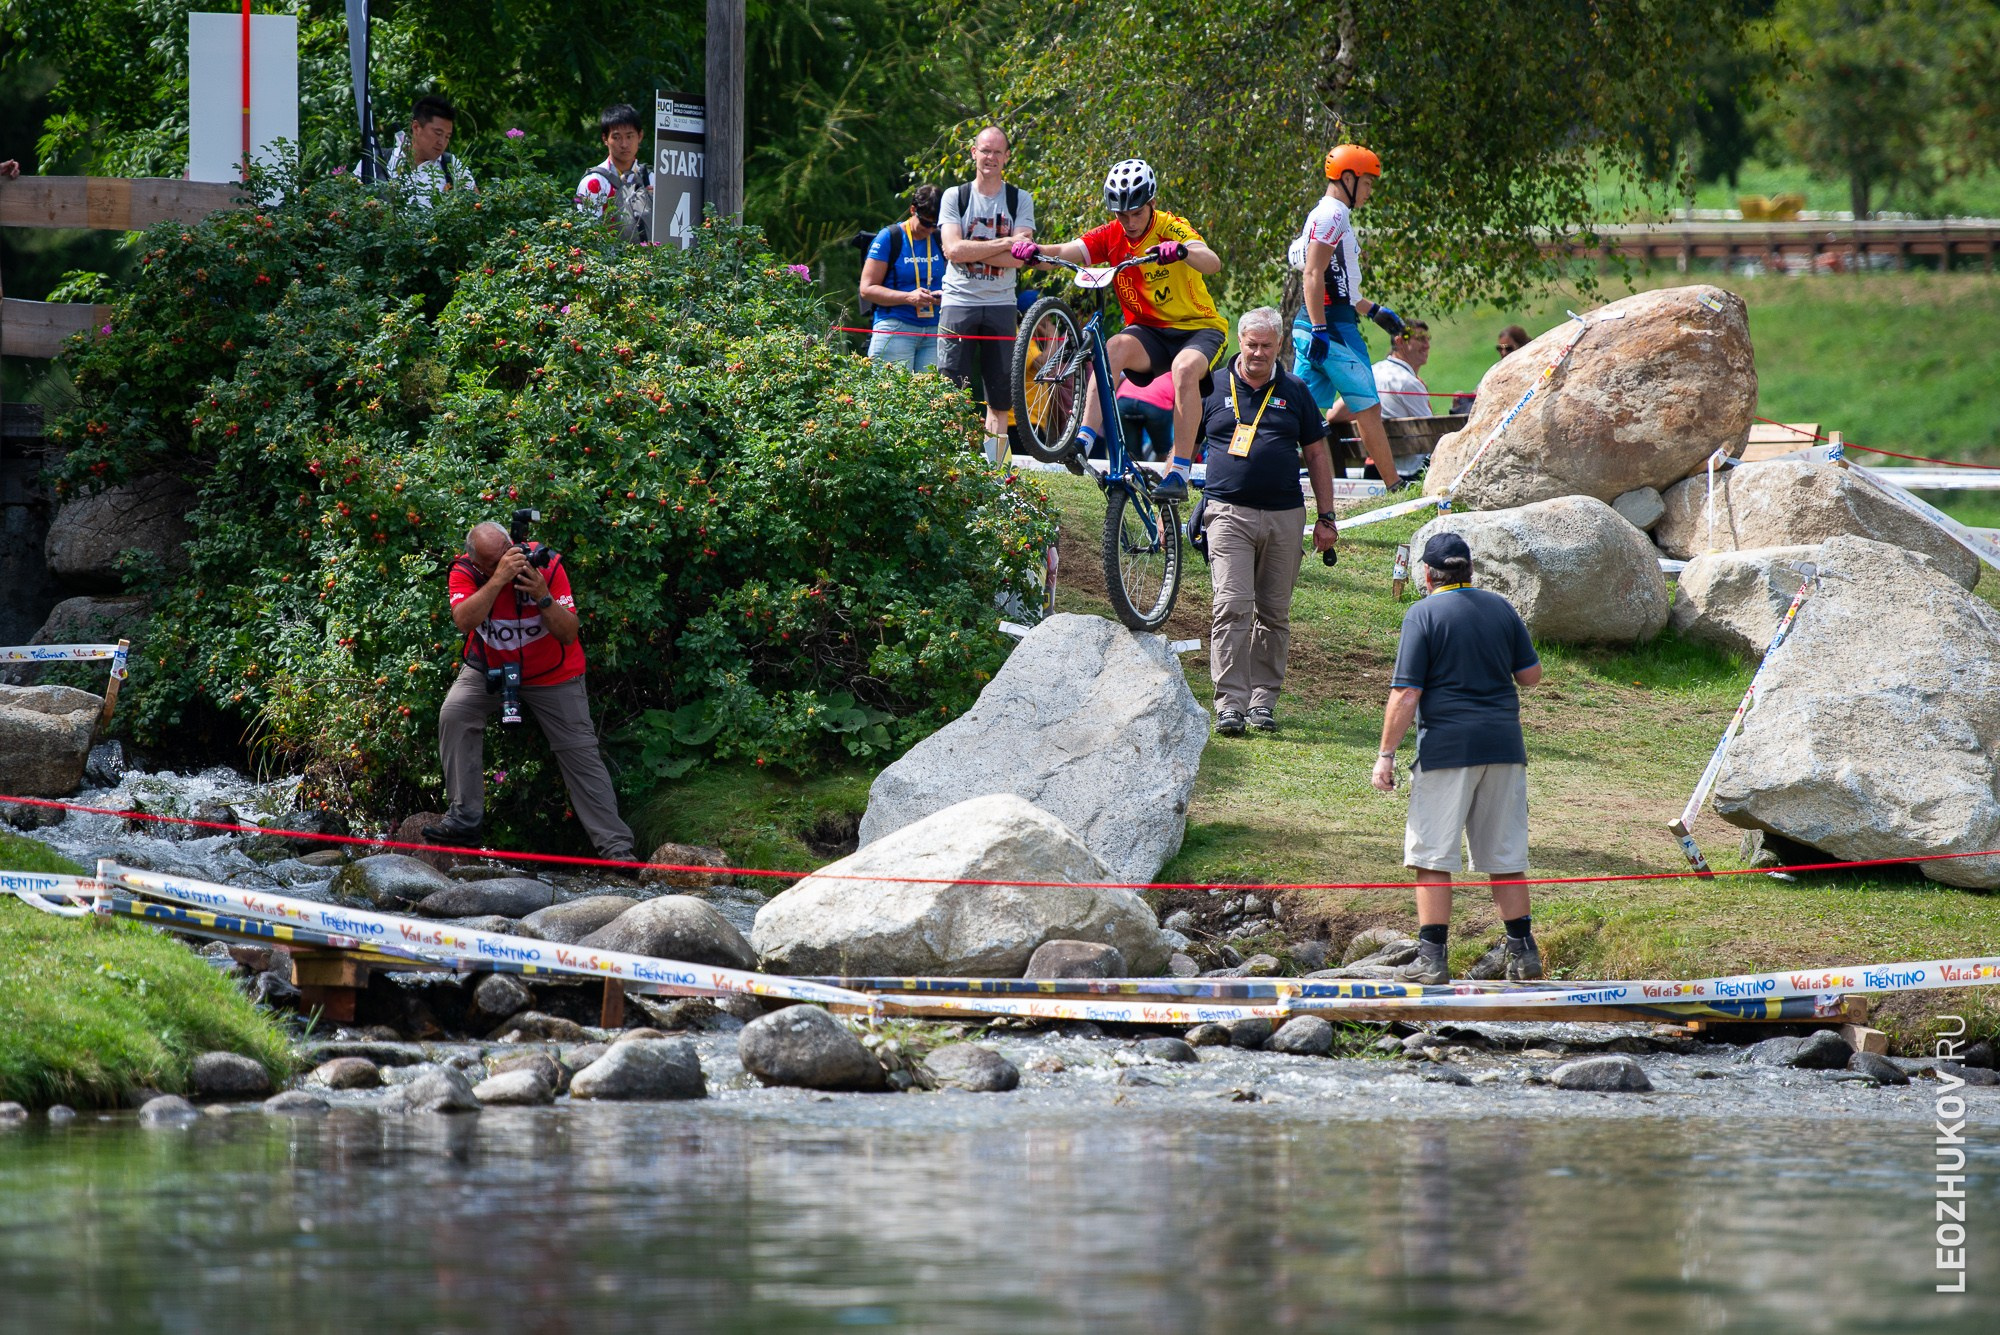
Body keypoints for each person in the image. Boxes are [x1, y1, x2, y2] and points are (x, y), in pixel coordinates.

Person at [1370, 533, 1544, 984]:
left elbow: (1407, 692)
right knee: (1505, 856)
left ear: (1427, 575)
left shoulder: (1422, 613)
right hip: (1505, 747)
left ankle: (1432, 960)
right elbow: (1531, 677)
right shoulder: (1502, 608)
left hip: (1447, 750)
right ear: (1470, 570)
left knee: (1432, 856)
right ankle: (1524, 957)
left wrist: (1386, 754)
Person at [1012, 158, 1226, 500]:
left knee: (1184, 369)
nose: (1128, 222)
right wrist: (1037, 252)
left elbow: (1211, 261)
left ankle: (1179, 471)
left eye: (1136, 213)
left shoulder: (1171, 226)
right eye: (1120, 215)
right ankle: (1082, 440)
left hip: (1198, 328)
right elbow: (1071, 250)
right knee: (1111, 347)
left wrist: (1182, 251)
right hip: (1149, 331)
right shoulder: (1112, 234)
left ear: (1152, 203)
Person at [426, 522, 635, 863]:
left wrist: (542, 595)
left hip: (553, 672)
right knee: (455, 713)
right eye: (494, 562)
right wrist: (497, 581)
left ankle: (617, 850)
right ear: (478, 562)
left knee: (579, 749)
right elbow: (464, 621)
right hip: (490, 666)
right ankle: (464, 821)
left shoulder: (546, 564)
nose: (508, 564)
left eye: (507, 554)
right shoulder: (465, 571)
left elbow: (569, 634)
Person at [1196, 307, 1337, 735]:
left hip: (1284, 516)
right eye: (1251, 344)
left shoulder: (1295, 389)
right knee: (1232, 605)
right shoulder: (1213, 384)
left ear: (1280, 346)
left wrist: (1326, 517)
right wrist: (1170, 491)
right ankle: (1230, 704)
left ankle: (1262, 702)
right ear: (1241, 341)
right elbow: (1183, 439)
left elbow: (1316, 453)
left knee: (1273, 613)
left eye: (1267, 346)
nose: (1258, 353)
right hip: (1226, 512)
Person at [1290, 144, 1405, 488]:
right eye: (1368, 183)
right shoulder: (1333, 215)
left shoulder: (1324, 214)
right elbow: (1312, 274)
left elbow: (1338, 282)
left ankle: (1264, 473)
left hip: (1310, 324)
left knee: (1299, 415)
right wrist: (1322, 328)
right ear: (1349, 177)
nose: (1369, 192)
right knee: (1368, 407)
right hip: (1333, 328)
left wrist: (1374, 311)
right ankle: (1394, 486)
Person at [937, 127, 1035, 464]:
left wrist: (972, 249)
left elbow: (1021, 258)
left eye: (997, 152)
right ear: (973, 153)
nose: (990, 157)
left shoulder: (1019, 199)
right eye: (985, 150)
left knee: (1000, 396)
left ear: (1007, 156)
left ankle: (995, 474)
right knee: (950, 392)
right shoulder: (955, 196)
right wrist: (1006, 242)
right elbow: (951, 249)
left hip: (1001, 304)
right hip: (958, 302)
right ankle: (952, 466)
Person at [858, 184, 946, 372]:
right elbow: (866, 289)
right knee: (889, 398)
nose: (930, 230)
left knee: (932, 400)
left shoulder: (940, 238)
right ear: (913, 210)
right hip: (896, 326)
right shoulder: (889, 237)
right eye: (926, 223)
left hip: (934, 329)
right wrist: (908, 297)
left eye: (935, 224)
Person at [367, 94, 473, 199]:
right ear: (416, 127)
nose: (442, 142)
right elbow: (353, 196)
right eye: (438, 133)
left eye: (447, 136)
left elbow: (476, 207)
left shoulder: (452, 166)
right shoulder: (376, 160)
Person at [575, 103, 652, 241]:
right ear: (605, 139)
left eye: (629, 136)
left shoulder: (652, 179)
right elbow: (586, 233)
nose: (624, 144)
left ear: (640, 136)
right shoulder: (594, 182)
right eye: (616, 137)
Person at [1451, 324, 1531, 413]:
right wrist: (1463, 399)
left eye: (1508, 348)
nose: (1503, 353)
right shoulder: (1495, 371)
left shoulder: (1529, 370)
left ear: (1521, 346)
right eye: (1499, 349)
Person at [1371, 320, 1433, 420]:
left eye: (1428, 339)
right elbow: (1431, 430)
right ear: (1399, 342)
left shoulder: (1371, 372)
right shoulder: (1408, 383)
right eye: (1420, 339)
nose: (1427, 345)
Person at [1114, 367, 1177, 461]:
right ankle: (1165, 473)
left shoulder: (1149, 364)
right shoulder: (1175, 369)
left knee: (1131, 453)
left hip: (1125, 400)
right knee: (1164, 452)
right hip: (1156, 403)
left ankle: (1132, 473)